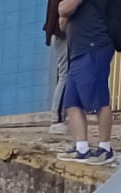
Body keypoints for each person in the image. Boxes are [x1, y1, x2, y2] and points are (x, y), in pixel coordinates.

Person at [56, 0, 115, 165]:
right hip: (78, 51)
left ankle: (105, 149)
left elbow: (64, 8)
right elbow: (61, 23)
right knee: (71, 102)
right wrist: (64, 14)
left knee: (99, 99)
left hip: (93, 47)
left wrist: (64, 12)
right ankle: (81, 148)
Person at [43, 0, 69, 134]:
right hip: (64, 33)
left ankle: (61, 116)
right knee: (66, 74)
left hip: (62, 32)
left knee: (67, 74)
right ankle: (57, 118)